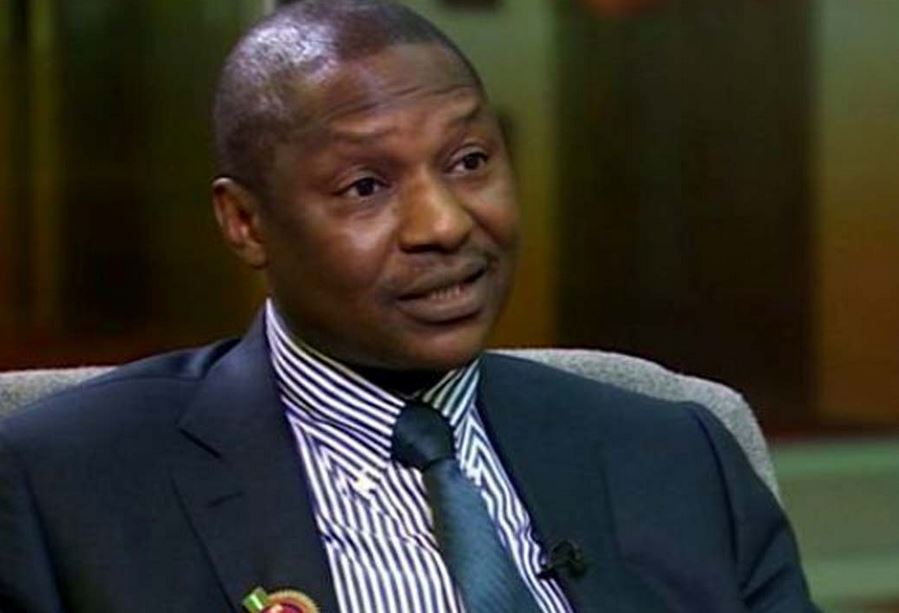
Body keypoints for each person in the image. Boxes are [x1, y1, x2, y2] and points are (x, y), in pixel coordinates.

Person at [0, 1, 819, 612]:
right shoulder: (65, 483)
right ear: (245, 222)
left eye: (469, 161)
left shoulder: (678, 454)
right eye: (365, 186)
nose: (444, 224)